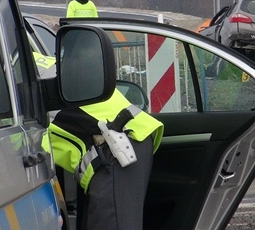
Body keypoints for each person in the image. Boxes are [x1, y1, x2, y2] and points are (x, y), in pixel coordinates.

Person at [35, 51, 163, 229]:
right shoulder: (34, 62)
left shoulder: (11, 75)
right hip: (126, 136)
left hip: (117, 145)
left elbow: (15, 143)